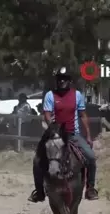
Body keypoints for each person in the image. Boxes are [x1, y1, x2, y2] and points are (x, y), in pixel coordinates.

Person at [28, 67, 98, 203]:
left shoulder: (77, 95)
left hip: (73, 134)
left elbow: (83, 115)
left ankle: (90, 188)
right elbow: (47, 114)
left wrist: (88, 135)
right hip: (55, 134)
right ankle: (39, 192)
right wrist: (52, 127)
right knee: (37, 161)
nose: (62, 81)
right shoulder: (50, 95)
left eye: (65, 79)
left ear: (69, 81)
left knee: (91, 157)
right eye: (59, 79)